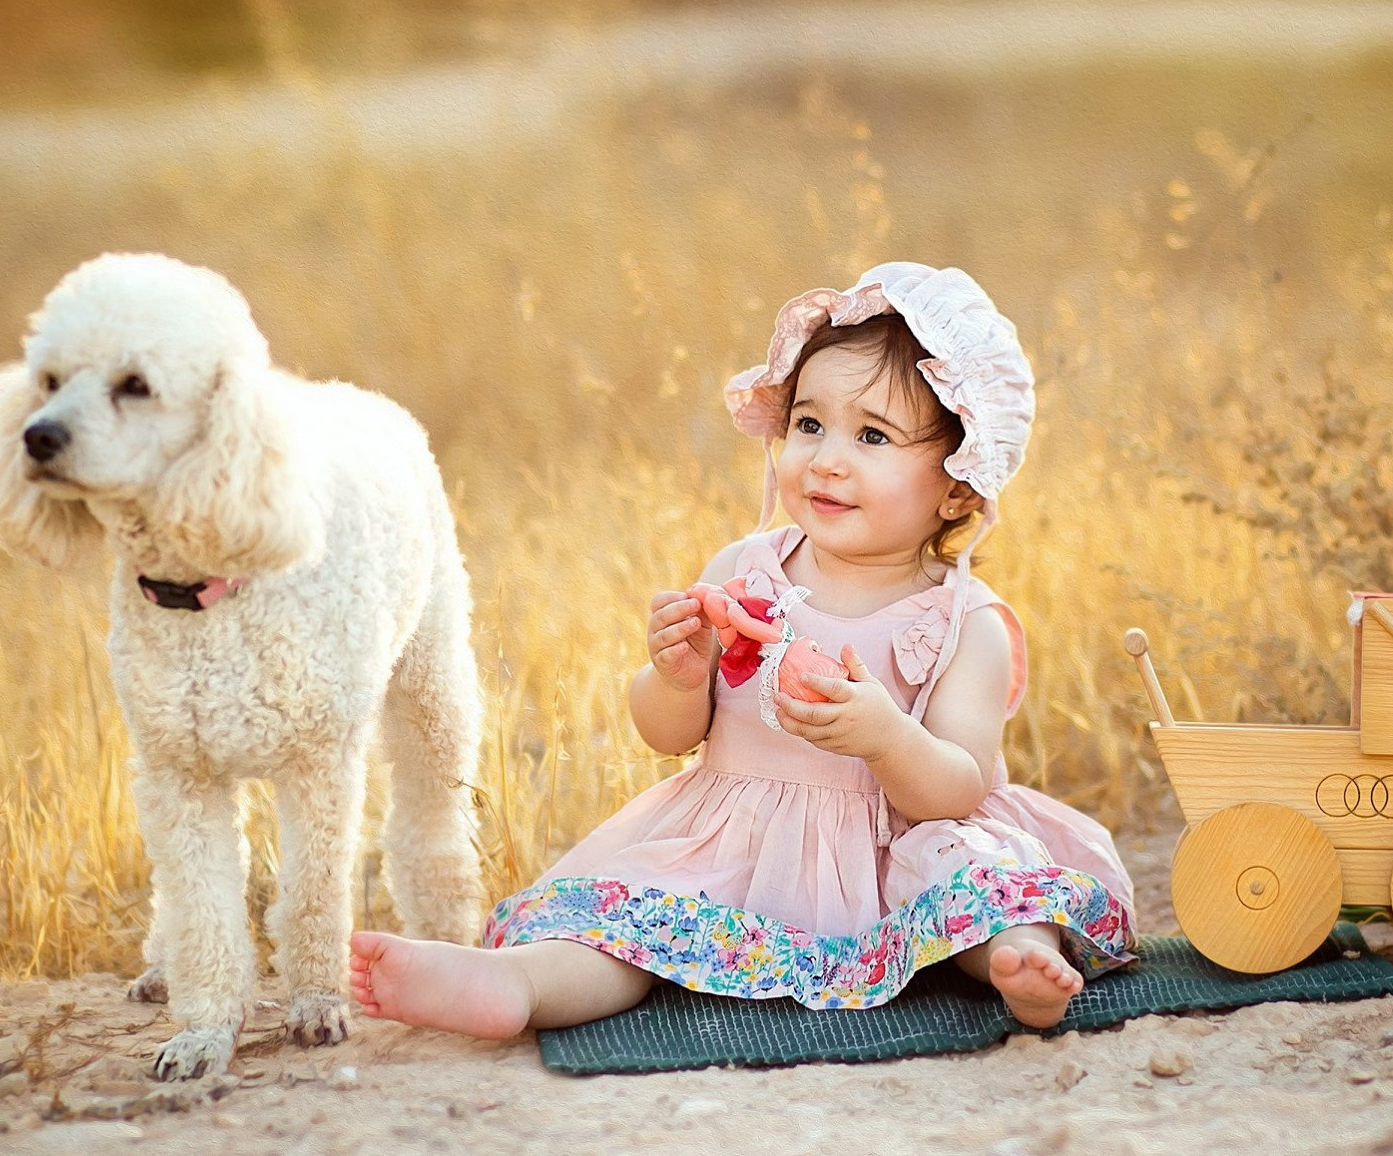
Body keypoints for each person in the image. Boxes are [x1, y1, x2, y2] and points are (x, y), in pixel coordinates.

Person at [349, 263, 1135, 1037]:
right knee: (633, 922)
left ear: (959, 484)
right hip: (735, 845)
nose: (826, 457)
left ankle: (1021, 964)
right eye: (809, 424)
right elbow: (668, 735)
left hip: (899, 850)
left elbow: (957, 788)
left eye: (872, 435)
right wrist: (676, 675)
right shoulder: (745, 570)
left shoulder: (965, 621)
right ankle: (516, 982)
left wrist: (886, 736)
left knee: (989, 887)